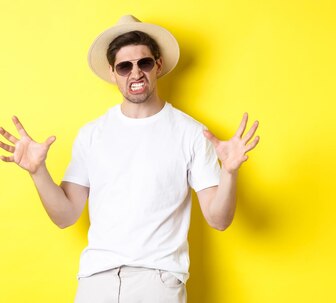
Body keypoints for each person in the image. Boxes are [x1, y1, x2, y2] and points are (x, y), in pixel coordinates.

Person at [0, 15, 259, 303]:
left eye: (144, 63)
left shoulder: (192, 133)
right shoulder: (91, 134)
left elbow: (218, 219)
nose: (135, 73)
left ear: (157, 65)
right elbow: (65, 215)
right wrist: (38, 172)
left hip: (158, 280)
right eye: (125, 66)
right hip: (96, 281)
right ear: (113, 73)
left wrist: (230, 173)